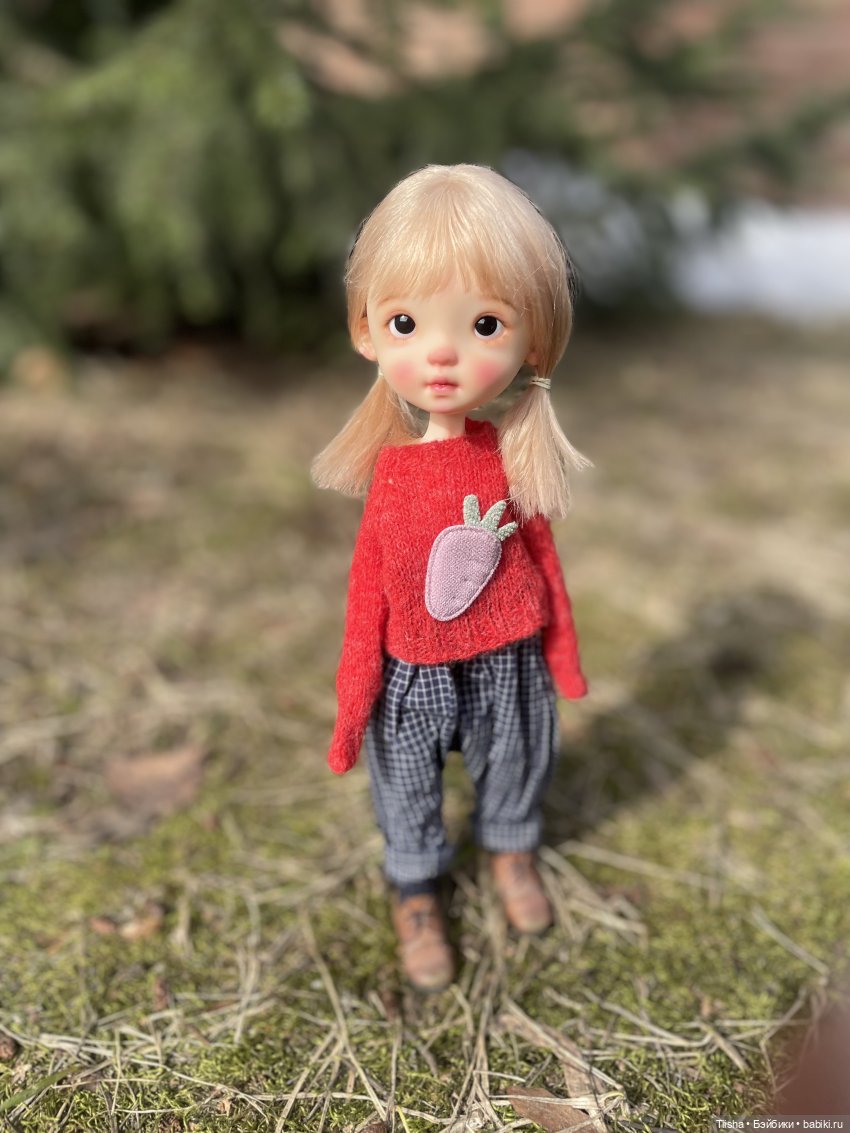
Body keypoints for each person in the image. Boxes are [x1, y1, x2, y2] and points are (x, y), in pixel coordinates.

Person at [312, 164, 589, 992]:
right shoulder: (393, 478)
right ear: (368, 331)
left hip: (509, 659)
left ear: (532, 341)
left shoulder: (509, 458)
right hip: (412, 671)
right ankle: (416, 887)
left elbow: (543, 562)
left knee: (518, 760)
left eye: (483, 324)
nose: (441, 351)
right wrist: (353, 701)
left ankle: (511, 849)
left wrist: (563, 652)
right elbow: (368, 594)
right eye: (406, 322)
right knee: (406, 785)